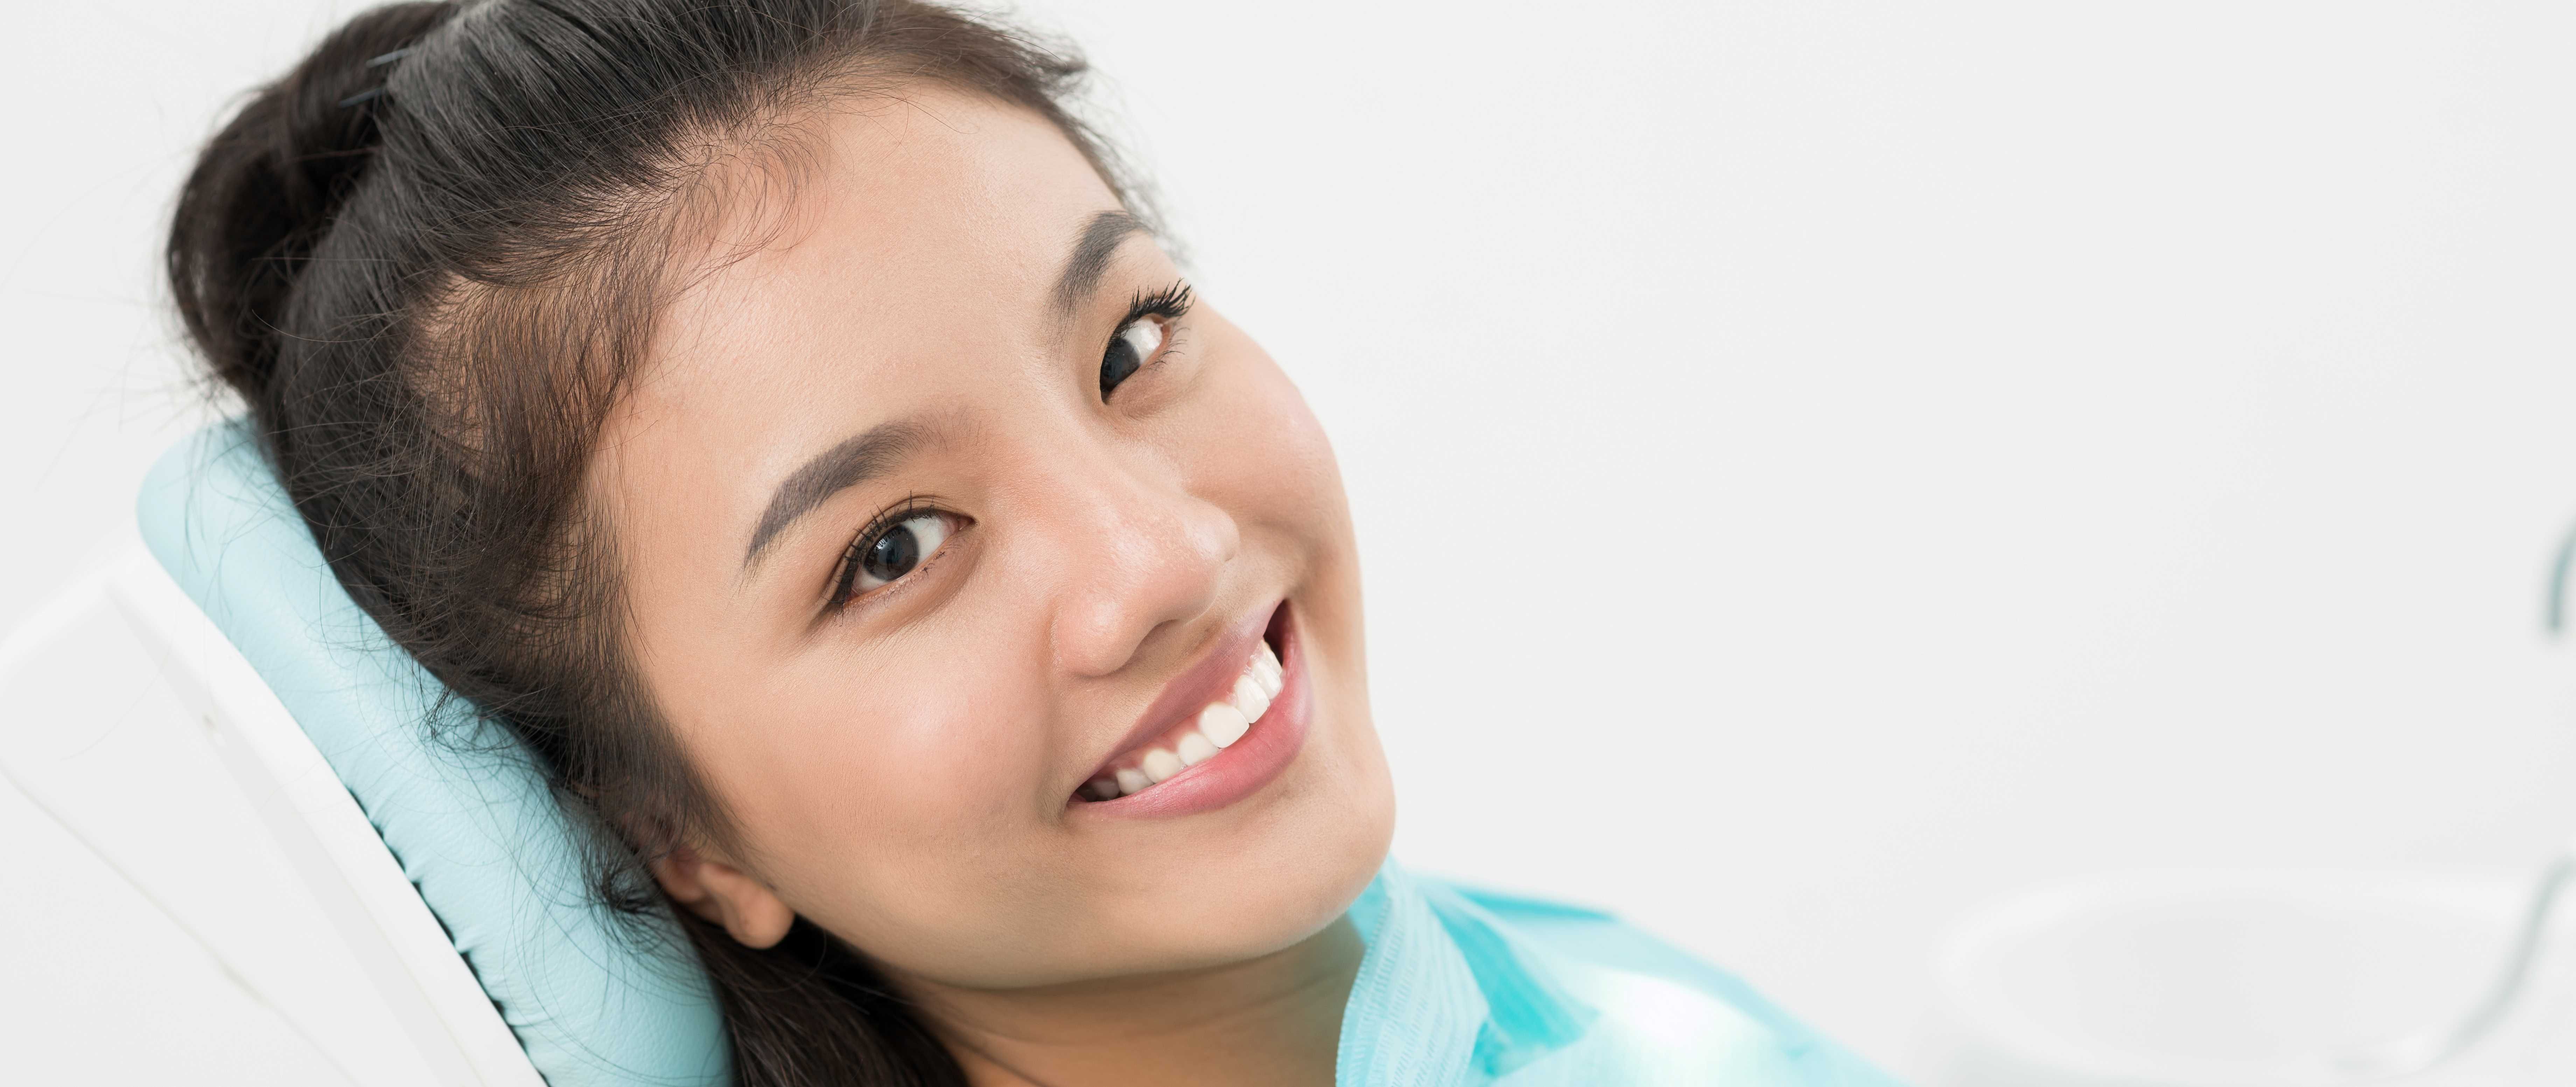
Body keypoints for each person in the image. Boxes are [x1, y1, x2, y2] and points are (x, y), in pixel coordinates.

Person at [168, 2, 1903, 1083]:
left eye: (1131, 346)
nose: (1157, 555)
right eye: (896, 546)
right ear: (673, 830)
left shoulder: (1555, 997)